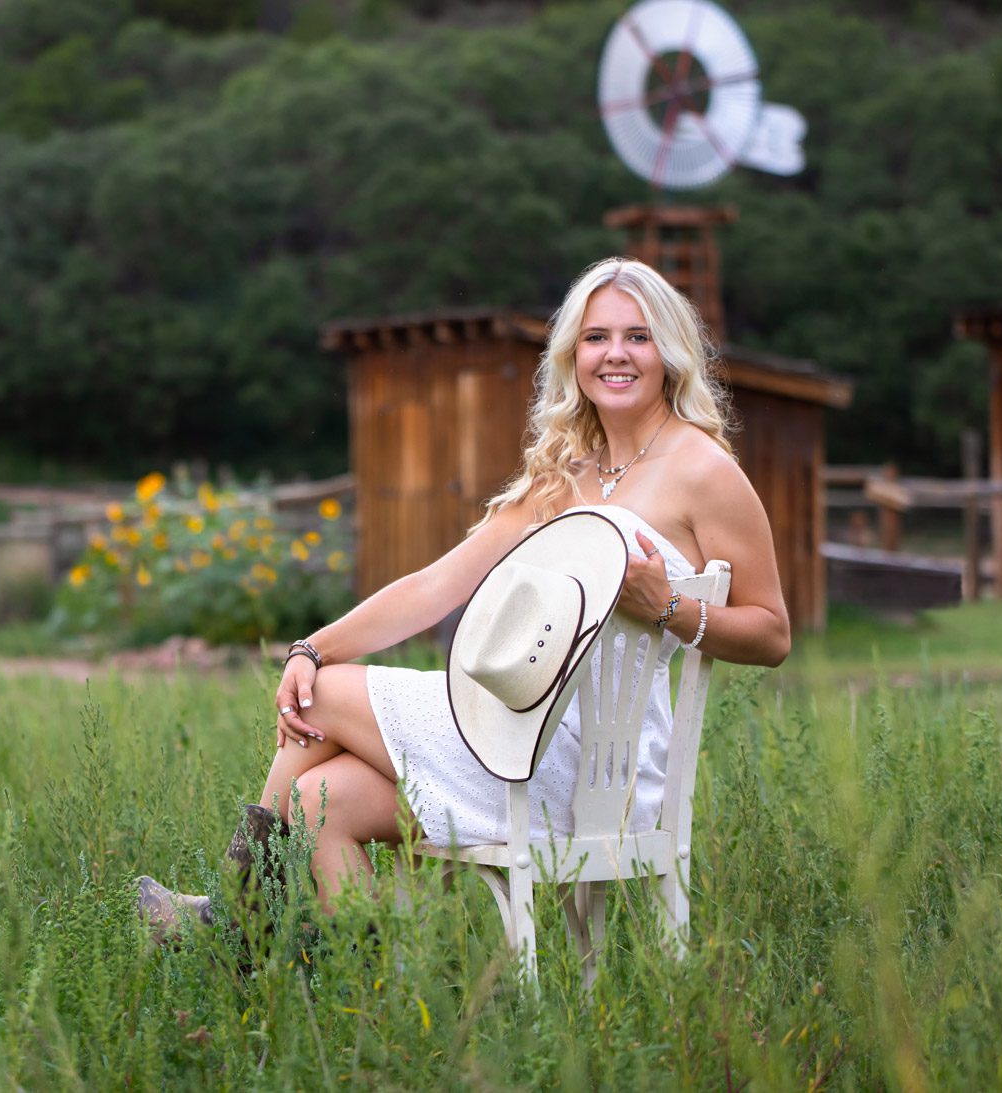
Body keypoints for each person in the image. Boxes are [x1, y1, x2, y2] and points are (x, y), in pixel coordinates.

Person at [136, 257, 792, 940]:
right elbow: (435, 585)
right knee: (314, 800)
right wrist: (312, 645)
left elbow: (772, 634)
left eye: (638, 335)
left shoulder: (704, 470)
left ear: (670, 352)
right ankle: (380, 999)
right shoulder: (563, 474)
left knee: (322, 696)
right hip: (514, 736)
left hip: (599, 770)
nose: (616, 354)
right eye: (597, 337)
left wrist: (668, 607)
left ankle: (230, 921)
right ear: (574, 355)